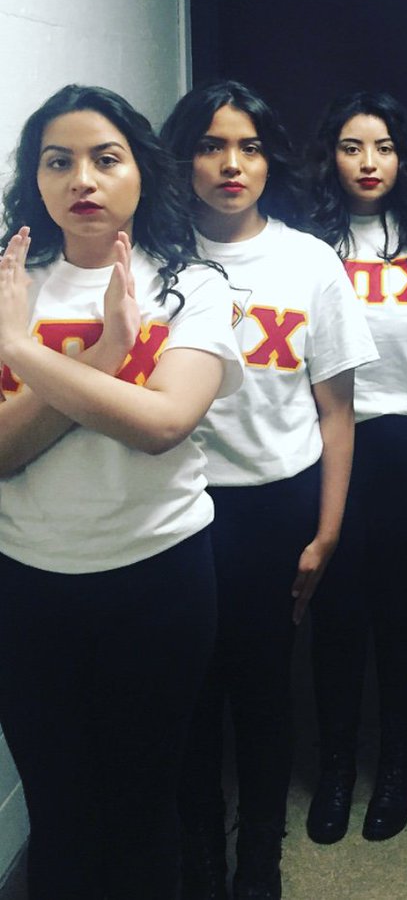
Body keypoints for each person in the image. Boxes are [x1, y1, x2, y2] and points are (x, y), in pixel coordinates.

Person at [0, 85, 243, 900]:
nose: (83, 180)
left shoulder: (191, 287)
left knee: (143, 809)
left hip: (158, 579)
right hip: (27, 584)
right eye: (58, 161)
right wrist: (102, 360)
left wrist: (23, 357)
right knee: (60, 814)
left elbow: (164, 421)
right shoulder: (10, 286)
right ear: (35, 178)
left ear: (143, 170)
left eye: (107, 159)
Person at [160, 80, 376, 900]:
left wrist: (325, 534)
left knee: (262, 689)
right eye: (212, 145)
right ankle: (200, 864)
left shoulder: (308, 260)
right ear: (184, 158)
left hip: (275, 506)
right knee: (189, 698)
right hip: (175, 511)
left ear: (269, 159)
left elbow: (336, 411)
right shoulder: (156, 260)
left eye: (248, 147)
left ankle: (260, 861)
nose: (230, 164)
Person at [305, 91, 407, 845]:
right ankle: (337, 764)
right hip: (323, 446)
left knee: (402, 612)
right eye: (351, 147)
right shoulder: (306, 240)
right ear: (330, 156)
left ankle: (397, 764)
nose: (368, 163)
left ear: (405, 157)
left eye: (383, 147)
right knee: (334, 612)